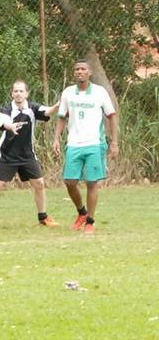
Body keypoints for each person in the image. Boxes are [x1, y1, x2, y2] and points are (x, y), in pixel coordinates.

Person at [0, 80, 60, 228]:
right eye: (16, 91)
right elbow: (4, 123)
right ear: (12, 94)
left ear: (26, 94)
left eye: (21, 91)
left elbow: (47, 111)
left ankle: (43, 218)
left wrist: (59, 104)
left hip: (27, 155)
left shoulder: (32, 108)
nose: (18, 94)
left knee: (39, 184)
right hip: (8, 155)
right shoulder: (7, 109)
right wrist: (11, 126)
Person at [52, 60, 119, 234]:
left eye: (83, 69)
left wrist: (114, 143)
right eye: (77, 69)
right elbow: (62, 117)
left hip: (94, 144)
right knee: (70, 181)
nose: (79, 72)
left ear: (90, 73)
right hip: (74, 144)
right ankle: (81, 212)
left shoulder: (99, 92)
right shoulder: (68, 93)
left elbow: (112, 116)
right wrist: (56, 139)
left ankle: (90, 221)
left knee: (91, 182)